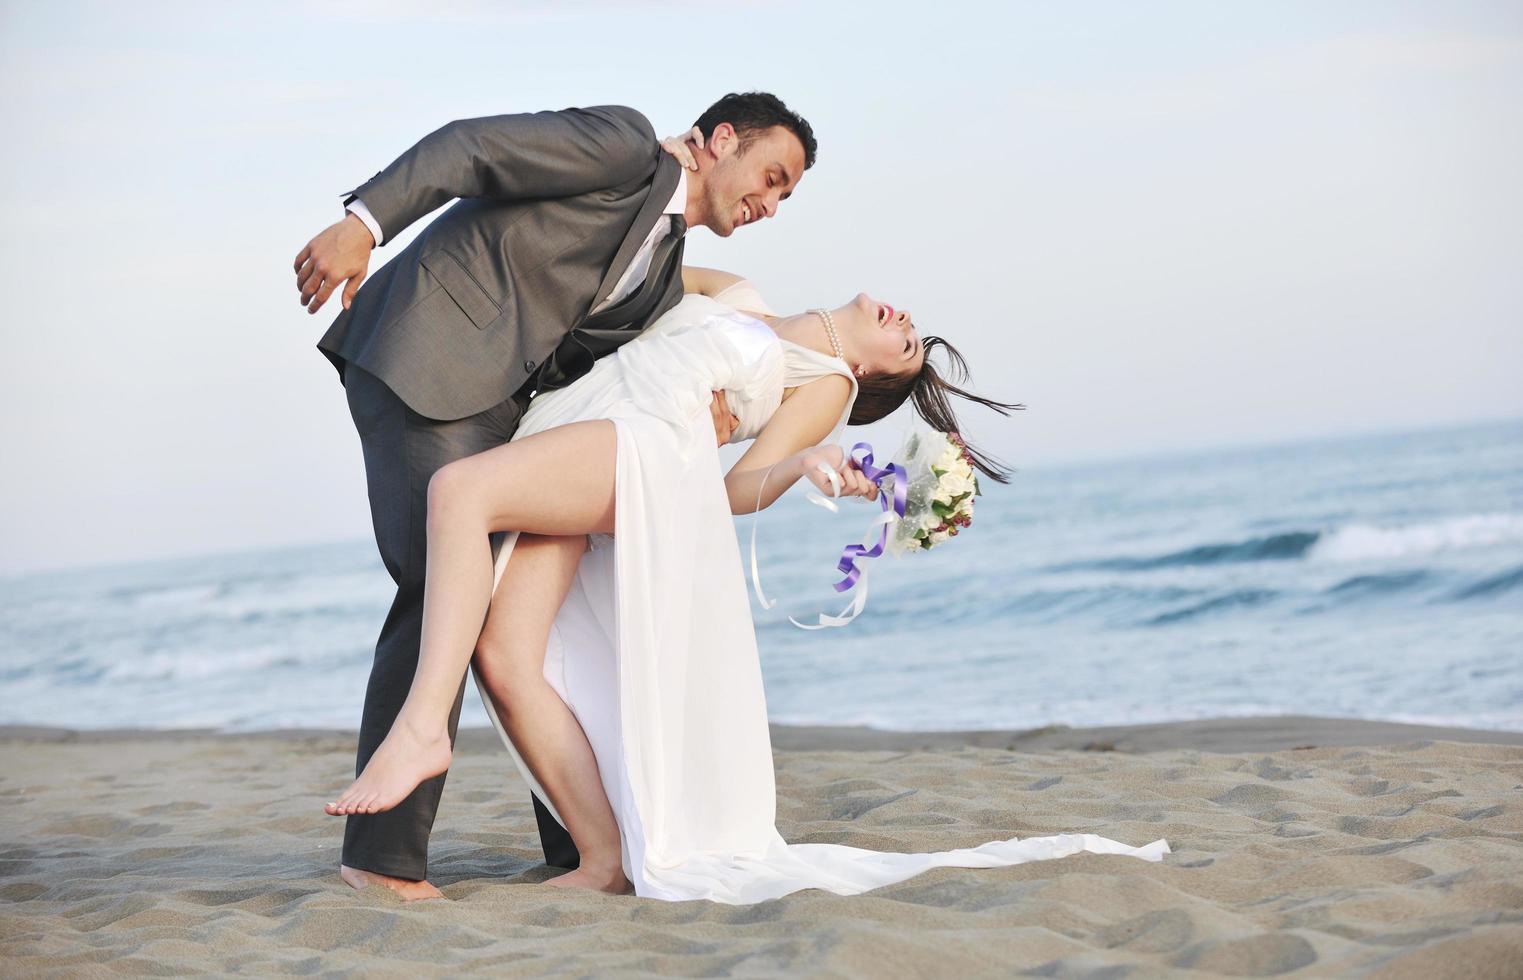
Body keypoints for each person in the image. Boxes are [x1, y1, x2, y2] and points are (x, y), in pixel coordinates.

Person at [323, 271, 1170, 903]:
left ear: (871, 377)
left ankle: (423, 729)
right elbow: (617, 289)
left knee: (459, 493)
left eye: (904, 346)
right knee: (506, 657)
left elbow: (727, 491)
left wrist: (804, 463)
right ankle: (603, 858)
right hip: (569, 434)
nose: (905, 324)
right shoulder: (738, 290)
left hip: (637, 452)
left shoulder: (824, 385)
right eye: (910, 329)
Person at [294, 92, 817, 900]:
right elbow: (471, 147)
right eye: (772, 176)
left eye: (787, 198)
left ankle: (578, 846)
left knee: (508, 606)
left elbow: (617, 358)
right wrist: (362, 224)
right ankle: (380, 858)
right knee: (440, 587)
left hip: (501, 407)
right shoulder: (622, 145)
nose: (771, 204)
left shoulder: (662, 268)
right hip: (426, 357)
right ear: (719, 141)